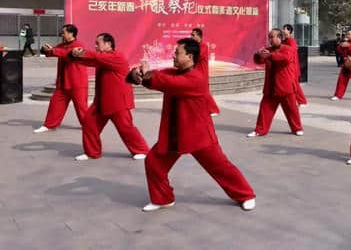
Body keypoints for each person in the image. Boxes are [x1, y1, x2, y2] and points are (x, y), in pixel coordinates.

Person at [129, 38, 256, 212]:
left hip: (199, 135)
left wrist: (147, 76)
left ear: (189, 56)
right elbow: (156, 77)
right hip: (175, 135)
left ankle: (245, 194)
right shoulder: (174, 72)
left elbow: (166, 82)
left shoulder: (196, 78)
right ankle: (163, 198)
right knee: (153, 163)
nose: (174, 55)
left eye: (177, 53)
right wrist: (137, 74)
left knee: (221, 167)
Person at [69, 33, 150, 160]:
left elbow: (94, 56)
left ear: (108, 44)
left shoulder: (116, 56)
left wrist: (80, 52)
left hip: (118, 102)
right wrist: (72, 55)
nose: (95, 46)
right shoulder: (102, 58)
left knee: (126, 128)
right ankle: (92, 152)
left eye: (98, 43)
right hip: (101, 101)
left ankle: (142, 150)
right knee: (89, 123)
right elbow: (89, 60)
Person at [247, 28, 304, 137]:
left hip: (285, 86)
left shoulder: (288, 49)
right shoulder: (268, 50)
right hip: (270, 87)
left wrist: (270, 55)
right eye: (269, 37)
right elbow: (258, 61)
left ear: (280, 38)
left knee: (292, 110)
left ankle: (297, 128)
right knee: (264, 110)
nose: (270, 40)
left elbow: (284, 58)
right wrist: (259, 55)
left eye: (273, 37)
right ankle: (260, 130)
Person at [33, 24, 89, 133]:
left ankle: (88, 125)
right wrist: (46, 49)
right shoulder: (62, 45)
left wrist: (54, 50)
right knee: (55, 103)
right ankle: (49, 125)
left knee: (82, 107)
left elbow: (69, 55)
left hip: (77, 82)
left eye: (64, 32)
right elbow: (53, 52)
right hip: (63, 82)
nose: (62, 34)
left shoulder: (79, 45)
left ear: (71, 33)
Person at [191, 28, 221, 117]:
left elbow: (197, 56)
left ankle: (214, 109)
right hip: (195, 72)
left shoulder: (203, 46)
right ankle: (198, 108)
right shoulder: (195, 46)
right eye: (191, 35)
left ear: (199, 36)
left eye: (193, 35)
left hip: (202, 72)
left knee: (205, 92)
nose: (191, 36)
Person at [330, 30, 351, 100]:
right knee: (342, 79)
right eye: (347, 34)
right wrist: (341, 45)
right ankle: (338, 95)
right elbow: (339, 50)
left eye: (349, 34)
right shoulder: (345, 42)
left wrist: (349, 45)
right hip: (346, 63)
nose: (348, 36)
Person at [282, 24, 308, 108]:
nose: (283, 30)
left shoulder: (291, 41)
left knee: (295, 84)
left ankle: (302, 101)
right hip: (287, 67)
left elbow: (291, 52)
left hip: (292, 67)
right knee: (290, 85)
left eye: (284, 29)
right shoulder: (285, 40)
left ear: (289, 31)